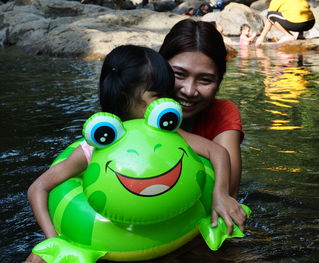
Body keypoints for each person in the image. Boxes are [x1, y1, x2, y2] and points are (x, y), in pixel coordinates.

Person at [24, 45, 245, 263]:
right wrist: (53, 241)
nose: (171, 101)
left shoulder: (169, 132)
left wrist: (220, 195)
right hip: (112, 246)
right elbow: (38, 188)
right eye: (158, 95)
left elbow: (217, 151)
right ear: (124, 97)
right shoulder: (96, 149)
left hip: (175, 232)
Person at [159, 18, 247, 223]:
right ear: (159, 70)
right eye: (178, 74)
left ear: (219, 82)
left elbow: (230, 193)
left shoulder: (222, 112)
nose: (189, 91)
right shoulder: (137, 108)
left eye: (205, 80)